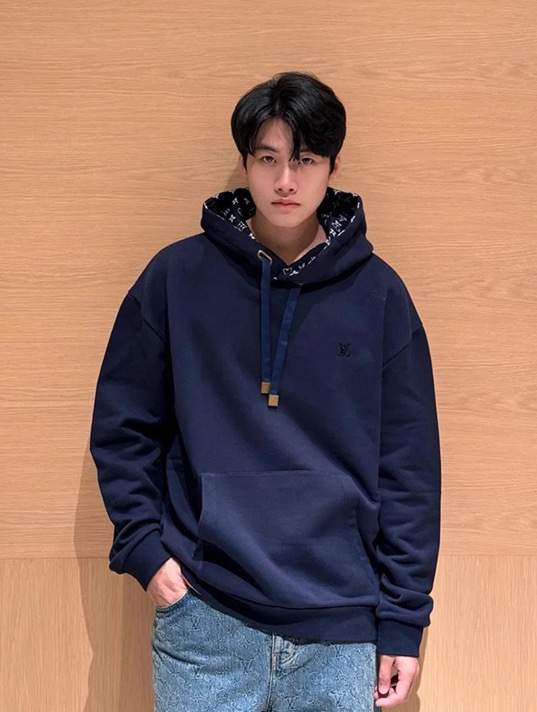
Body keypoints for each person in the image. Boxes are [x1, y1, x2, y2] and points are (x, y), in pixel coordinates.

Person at [89, 71, 441, 711]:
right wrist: (146, 554)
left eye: (304, 160)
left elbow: (409, 467)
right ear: (246, 163)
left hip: (341, 626)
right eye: (268, 158)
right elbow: (123, 426)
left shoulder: (380, 295)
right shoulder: (177, 278)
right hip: (205, 616)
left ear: (332, 166)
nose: (285, 181)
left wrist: (403, 617)